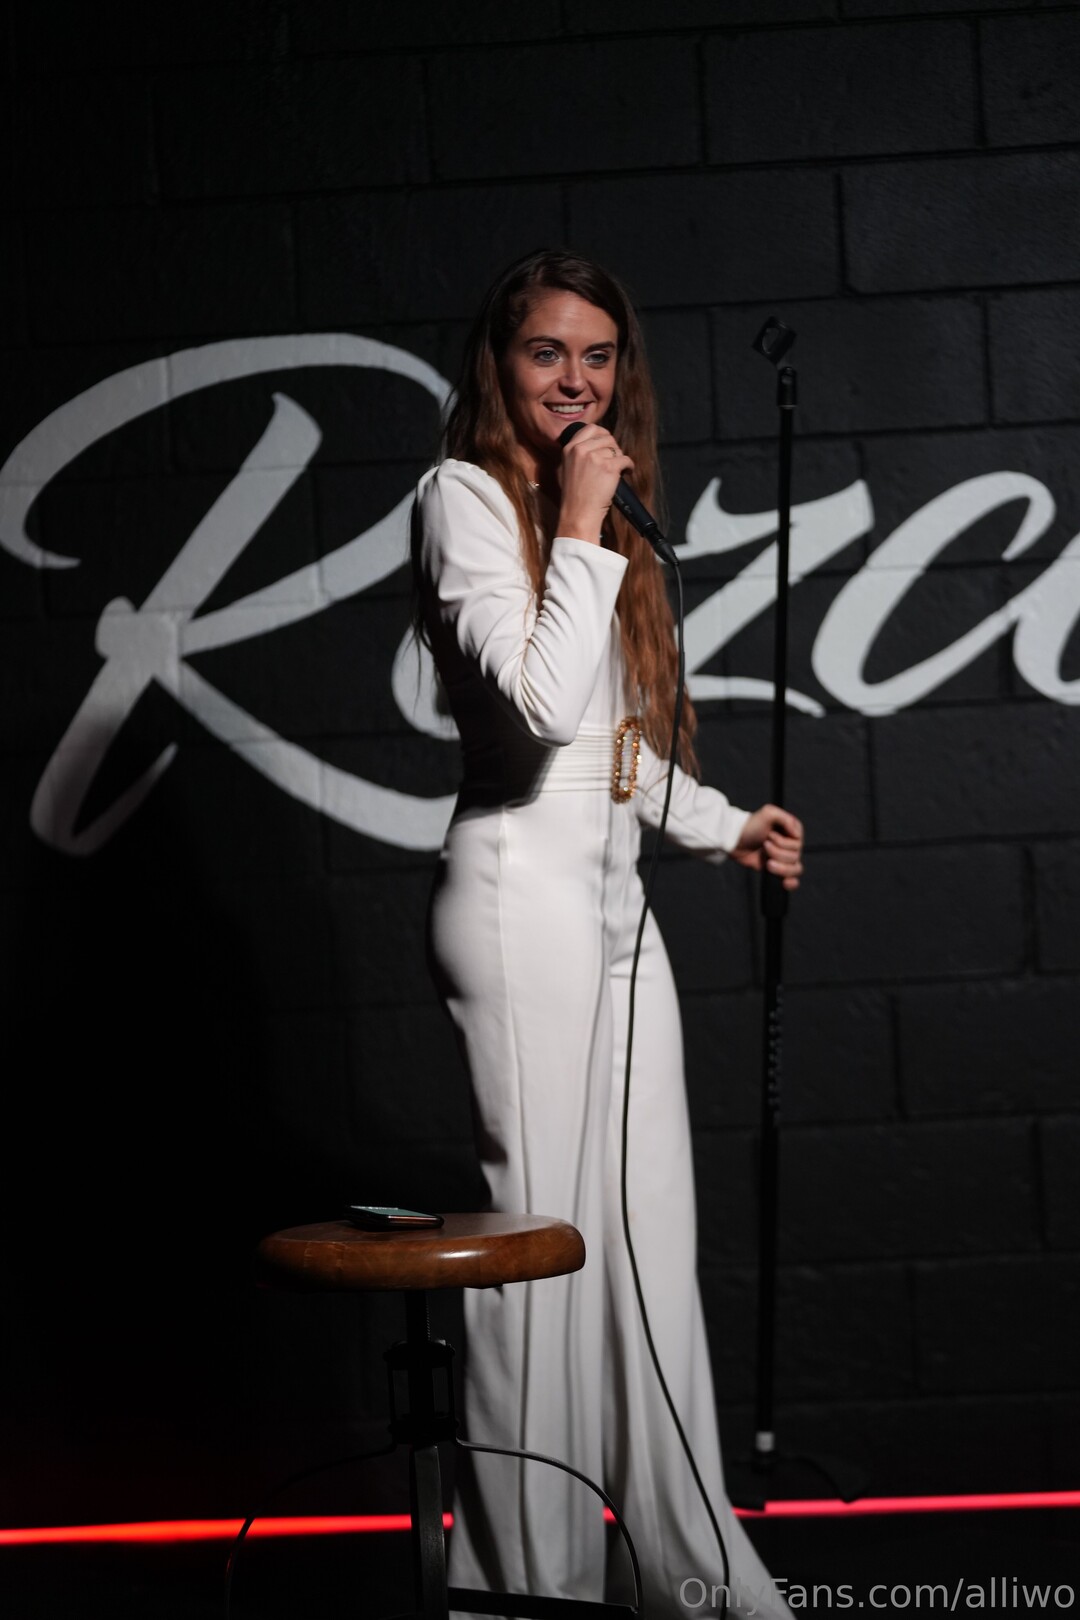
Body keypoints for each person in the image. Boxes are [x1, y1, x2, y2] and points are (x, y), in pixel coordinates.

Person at [411, 248, 802, 1618]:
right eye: (547, 354)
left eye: (598, 355)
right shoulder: (464, 497)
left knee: (647, 1250)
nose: (576, 380)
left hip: (616, 905)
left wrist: (724, 823)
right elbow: (534, 712)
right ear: (500, 367)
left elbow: (611, 746)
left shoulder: (602, 518)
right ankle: (525, 1586)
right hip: (516, 900)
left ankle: (687, 1572)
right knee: (537, 1259)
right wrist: (580, 522)